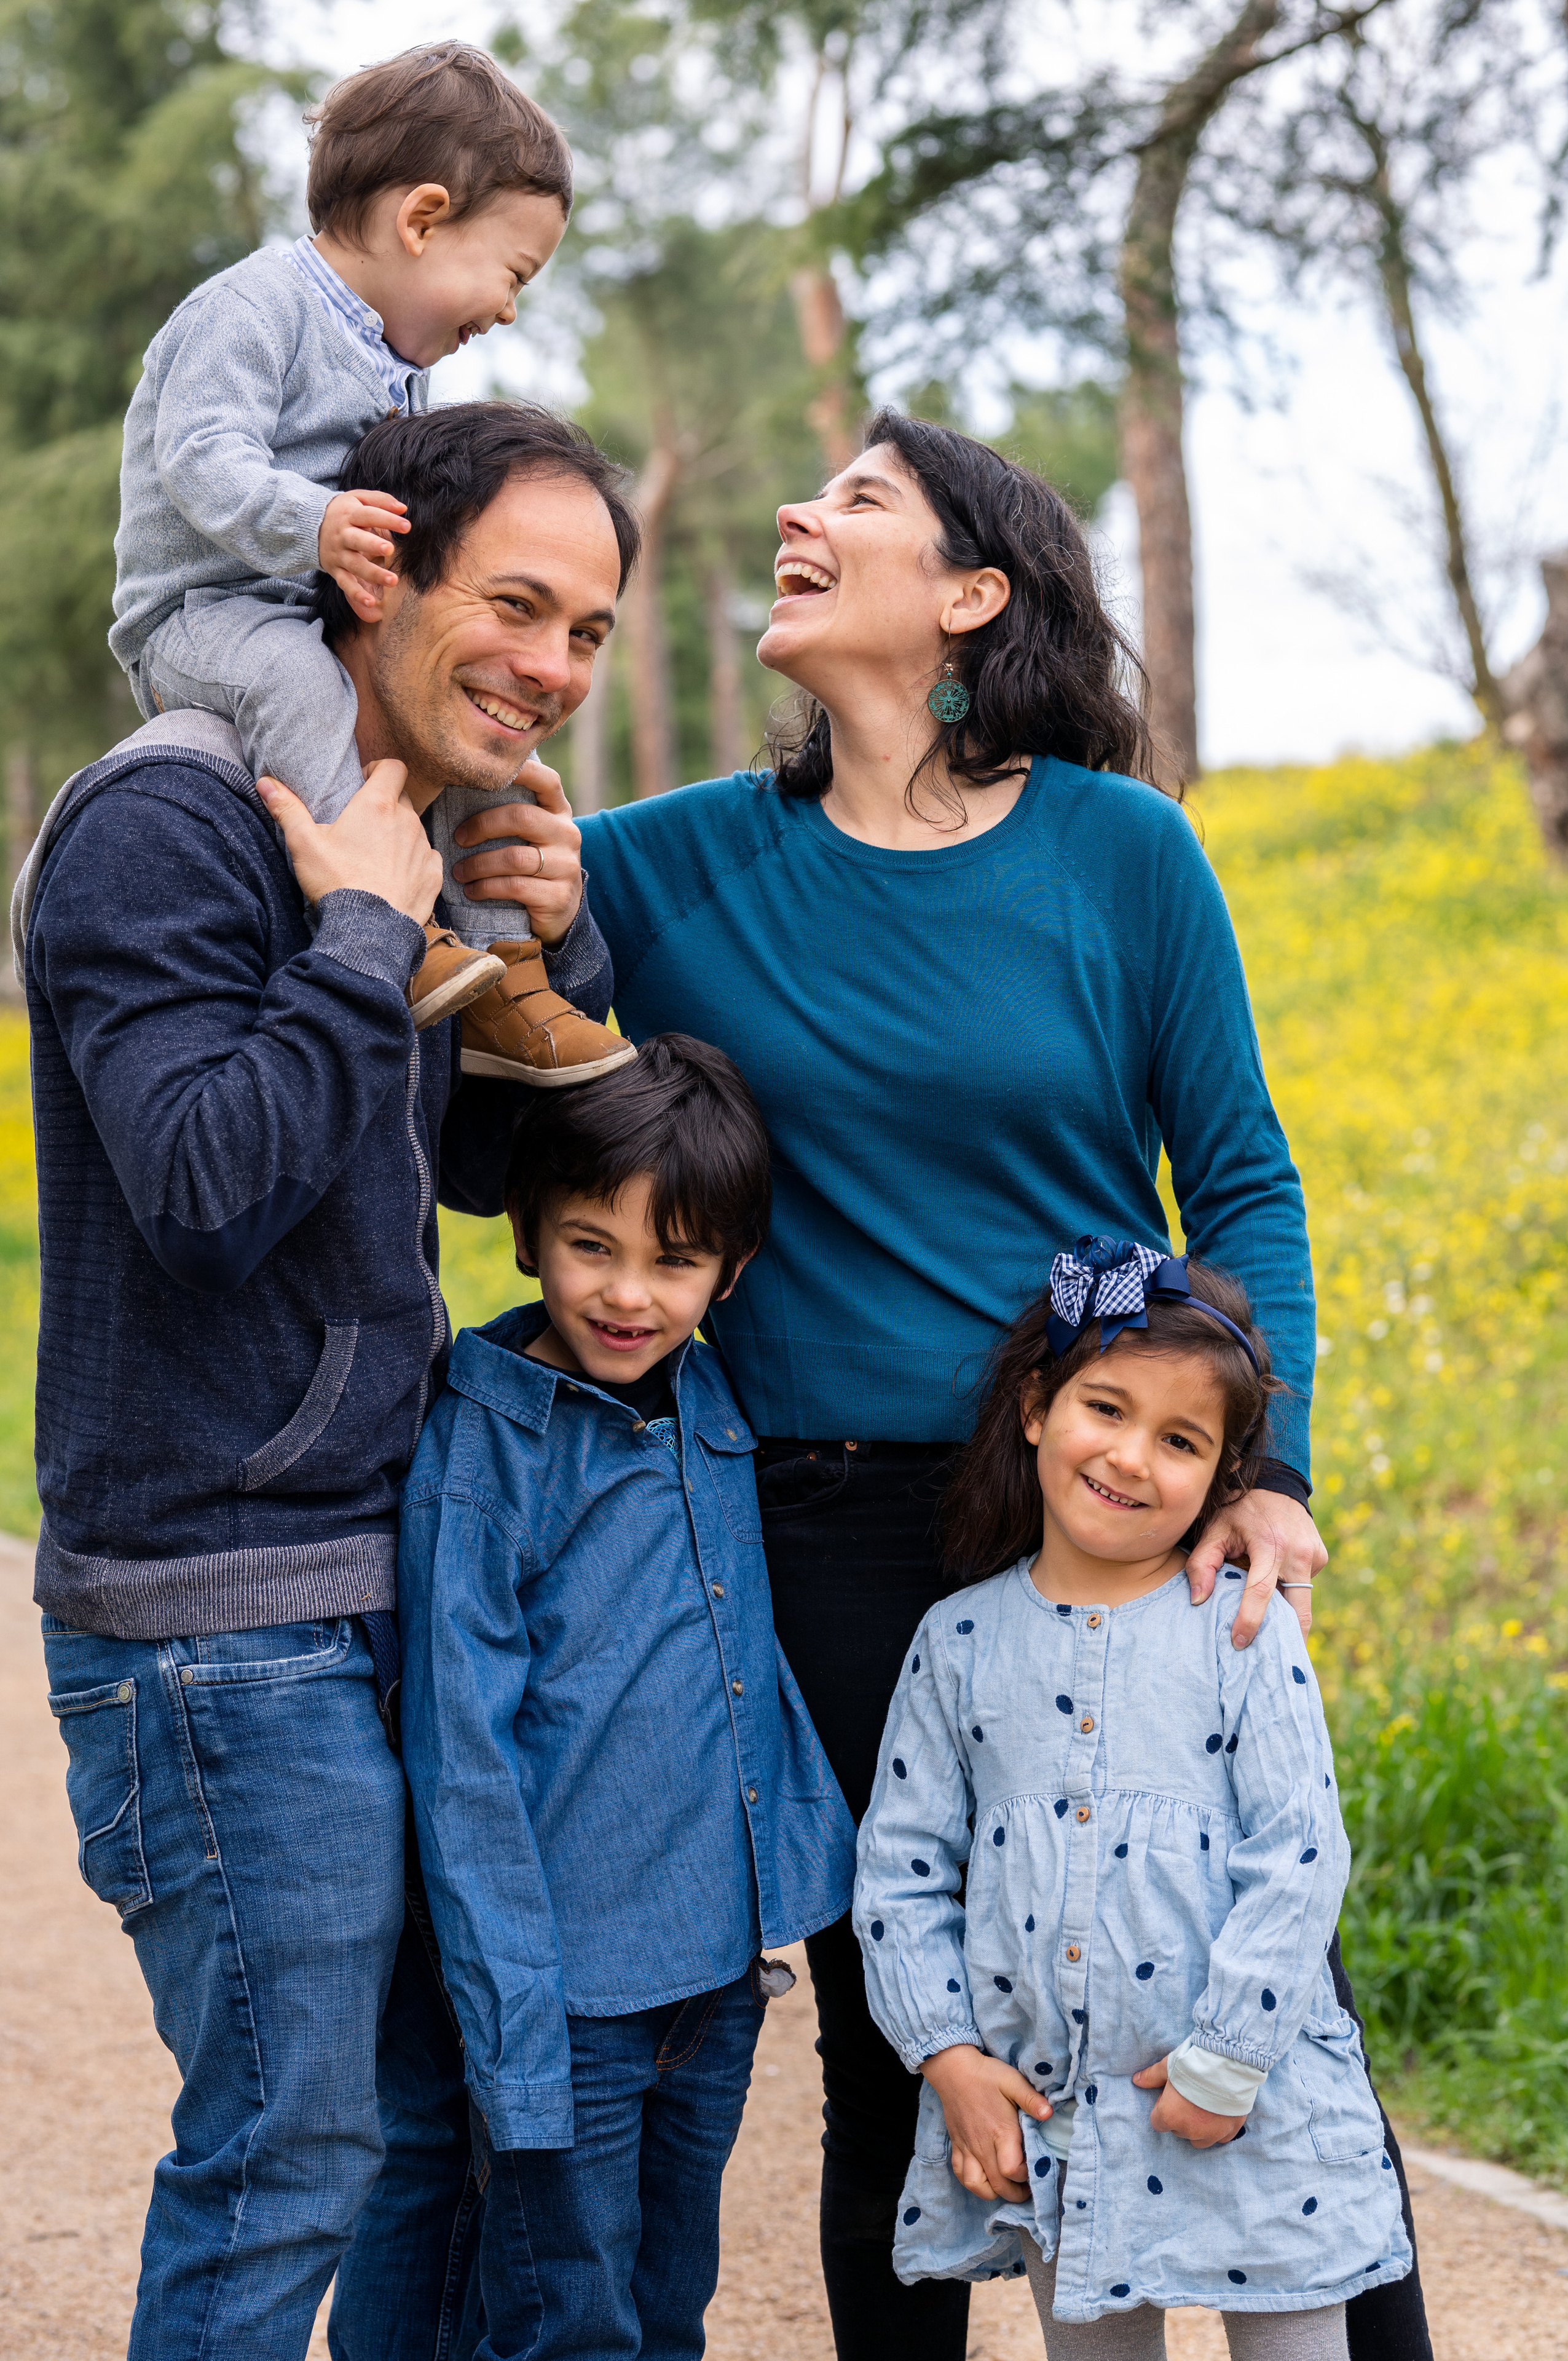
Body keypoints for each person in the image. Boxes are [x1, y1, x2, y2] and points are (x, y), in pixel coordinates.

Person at [450, 408, 1433, 2358]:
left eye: (861, 505)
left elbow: (1240, 1173)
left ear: (972, 597)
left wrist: (1271, 1467)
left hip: (1105, 1500)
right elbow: (514, 1151)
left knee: (1252, 1996)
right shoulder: (666, 866)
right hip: (814, 1525)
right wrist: (512, 911)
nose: (799, 519)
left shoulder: (1120, 854)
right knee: (908, 2045)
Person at [18, 399, 637, 2361]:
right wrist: (364, 924)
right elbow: (205, 1185)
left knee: (416, 2130)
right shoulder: (166, 824)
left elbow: (462, 1176)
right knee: (288, 2147)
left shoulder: (404, 834)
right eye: (517, 606)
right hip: (220, 1616)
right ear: (373, 570)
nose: (551, 669)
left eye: (590, 635)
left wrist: (545, 942)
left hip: (376, 1580)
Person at [855, 1241, 1409, 2356]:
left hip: (1252, 2097)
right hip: (1067, 2116)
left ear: (1224, 1479)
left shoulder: (1242, 1633)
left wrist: (1228, 2055)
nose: (1131, 1457)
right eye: (1105, 1408)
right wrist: (949, 2056)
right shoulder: (957, 1643)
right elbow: (900, 1871)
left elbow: (1302, 1850)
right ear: (1033, 1409)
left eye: (1181, 1441)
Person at [393, 1035, 856, 2361]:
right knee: (562, 2321)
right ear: (531, 1232)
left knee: (666, 2309)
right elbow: (462, 1759)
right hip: (568, 2001)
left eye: (675, 1263)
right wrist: (514, 2029)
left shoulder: (704, 1394)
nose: (630, 1295)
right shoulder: (484, 1452)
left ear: (731, 1274)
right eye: (592, 1246)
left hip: (714, 1976)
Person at [111, 40, 630, 1082]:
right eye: (513, 273)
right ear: (422, 218)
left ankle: (503, 974)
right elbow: (200, 458)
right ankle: (380, 917)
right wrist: (315, 527)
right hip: (208, 614)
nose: (511, 309)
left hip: (310, 607)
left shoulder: (397, 367)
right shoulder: (252, 309)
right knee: (304, 683)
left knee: (487, 753)